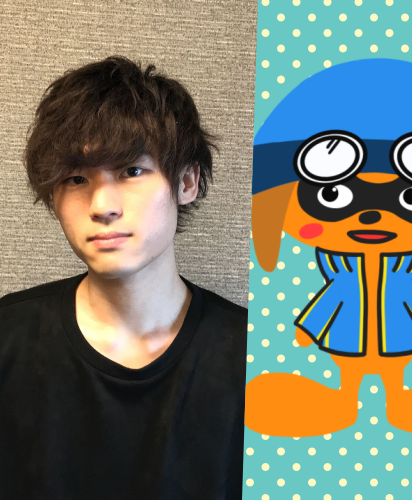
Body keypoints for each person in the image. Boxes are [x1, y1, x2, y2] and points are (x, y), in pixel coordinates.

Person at [0, 55, 247, 499]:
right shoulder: (8, 335)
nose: (102, 206)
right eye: (76, 179)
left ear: (186, 182)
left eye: (132, 171)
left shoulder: (259, 359)